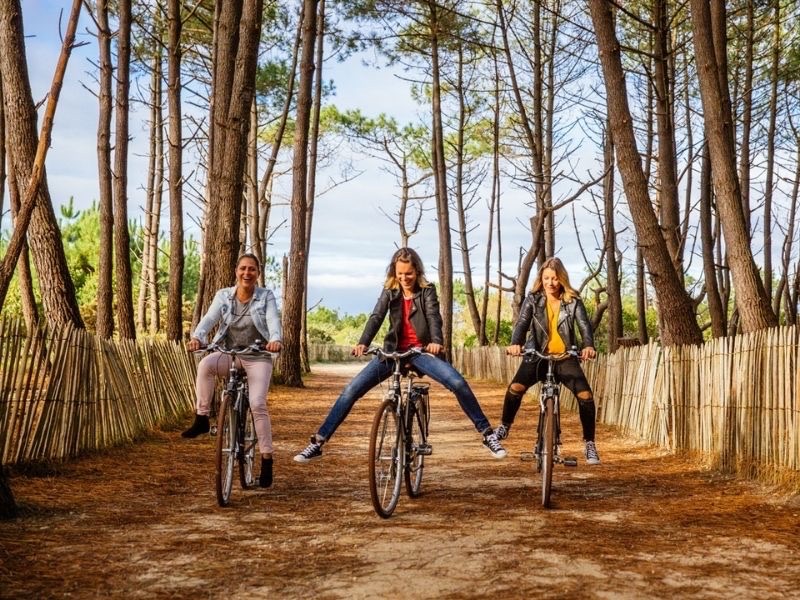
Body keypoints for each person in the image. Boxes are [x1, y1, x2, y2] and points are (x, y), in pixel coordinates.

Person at [293, 247, 507, 463]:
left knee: (457, 383)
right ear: (394, 273)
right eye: (400, 273)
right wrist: (363, 343)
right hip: (393, 352)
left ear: (417, 272)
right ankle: (318, 442)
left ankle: (488, 434)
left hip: (420, 352)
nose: (404, 278)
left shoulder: (427, 291)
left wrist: (435, 343)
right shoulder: (390, 290)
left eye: (409, 274)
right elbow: (376, 316)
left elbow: (434, 317)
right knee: (351, 389)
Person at [181, 252, 283, 487]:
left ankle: (267, 459)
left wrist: (275, 339)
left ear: (258, 273)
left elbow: (273, 321)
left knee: (257, 403)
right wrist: (198, 337)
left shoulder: (265, 296)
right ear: (236, 272)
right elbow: (208, 319)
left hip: (258, 357)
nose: (247, 273)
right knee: (206, 365)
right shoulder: (224, 296)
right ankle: (202, 418)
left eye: (252, 269)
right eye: (243, 269)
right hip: (230, 355)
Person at [495, 257, 601, 465]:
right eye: (546, 278)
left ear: (561, 279)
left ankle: (589, 443)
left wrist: (588, 346)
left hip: (565, 358)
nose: (550, 283)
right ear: (541, 279)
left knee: (585, 395)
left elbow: (584, 326)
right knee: (515, 387)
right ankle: (504, 427)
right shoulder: (533, 299)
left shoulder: (573, 301)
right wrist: (516, 343)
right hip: (537, 355)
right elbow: (522, 323)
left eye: (554, 278)